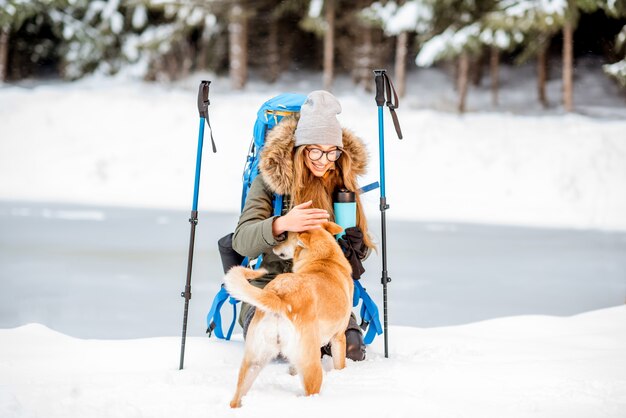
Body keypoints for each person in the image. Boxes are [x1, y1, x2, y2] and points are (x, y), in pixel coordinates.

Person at [232, 90, 374, 361]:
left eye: (332, 152)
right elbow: (242, 242)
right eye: (316, 152)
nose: (324, 160)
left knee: (352, 349)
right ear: (300, 149)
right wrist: (283, 224)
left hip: (323, 293)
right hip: (272, 288)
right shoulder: (270, 183)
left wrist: (355, 247)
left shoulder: (341, 182)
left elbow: (356, 259)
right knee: (281, 345)